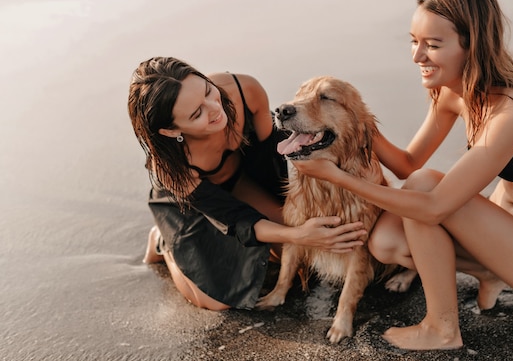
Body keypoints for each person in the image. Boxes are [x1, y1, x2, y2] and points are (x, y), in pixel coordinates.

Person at [290, 0, 513, 350]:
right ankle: (488, 273)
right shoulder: (452, 92)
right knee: (386, 242)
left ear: (473, 44)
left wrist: (337, 177)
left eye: (432, 45)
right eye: (414, 42)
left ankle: (442, 328)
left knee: (424, 186)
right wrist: (355, 117)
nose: (418, 56)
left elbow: (431, 205)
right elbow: (405, 163)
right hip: (505, 235)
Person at [127, 57, 367, 311]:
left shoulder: (244, 91)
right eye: (197, 113)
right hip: (190, 205)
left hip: (242, 182)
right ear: (171, 130)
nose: (214, 108)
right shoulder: (169, 168)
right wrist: (300, 234)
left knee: (292, 254)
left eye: (209, 91)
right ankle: (162, 243)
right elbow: (232, 217)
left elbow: (275, 158)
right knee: (217, 301)